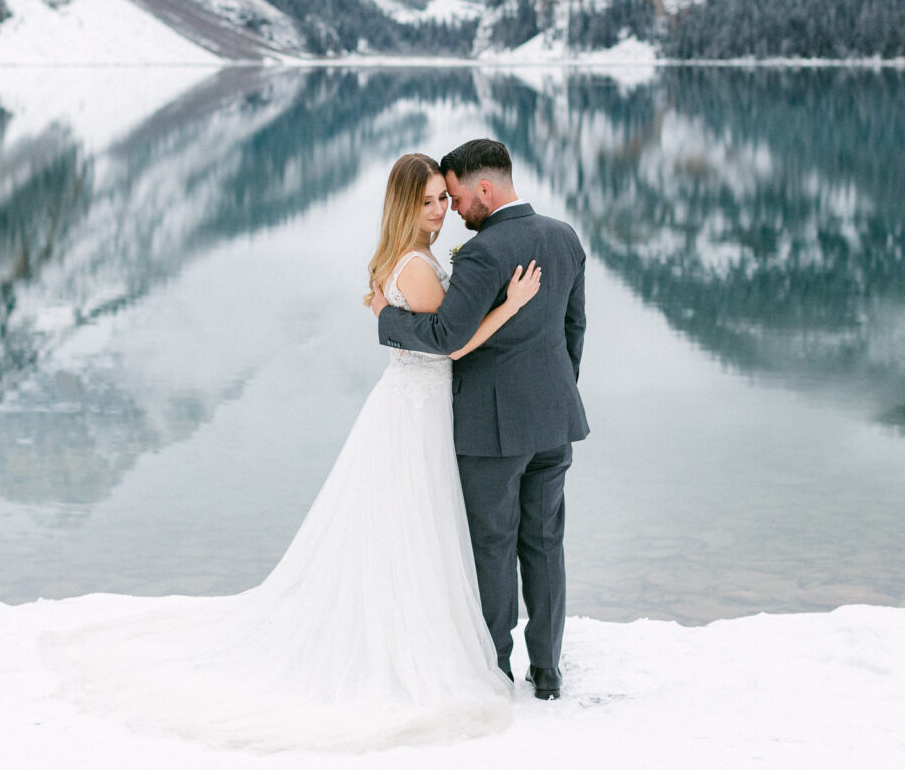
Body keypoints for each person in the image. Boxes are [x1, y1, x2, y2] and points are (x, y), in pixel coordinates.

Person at [44, 153, 542, 752]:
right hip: (418, 407)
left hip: (415, 404)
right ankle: (407, 638)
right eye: (429, 200)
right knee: (414, 522)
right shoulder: (417, 268)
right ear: (404, 206)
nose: (440, 210)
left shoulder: (407, 261)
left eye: (443, 198)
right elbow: (451, 347)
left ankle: (400, 624)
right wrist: (509, 307)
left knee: (406, 525)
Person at [371, 138, 588, 700]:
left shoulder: (483, 254)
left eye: (458, 198)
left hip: (490, 430)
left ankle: (494, 667)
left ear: (484, 189)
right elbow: (573, 332)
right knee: (544, 542)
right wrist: (556, 395)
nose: (455, 212)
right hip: (553, 420)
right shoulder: (565, 238)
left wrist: (386, 318)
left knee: (492, 545)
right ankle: (547, 670)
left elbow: (447, 337)